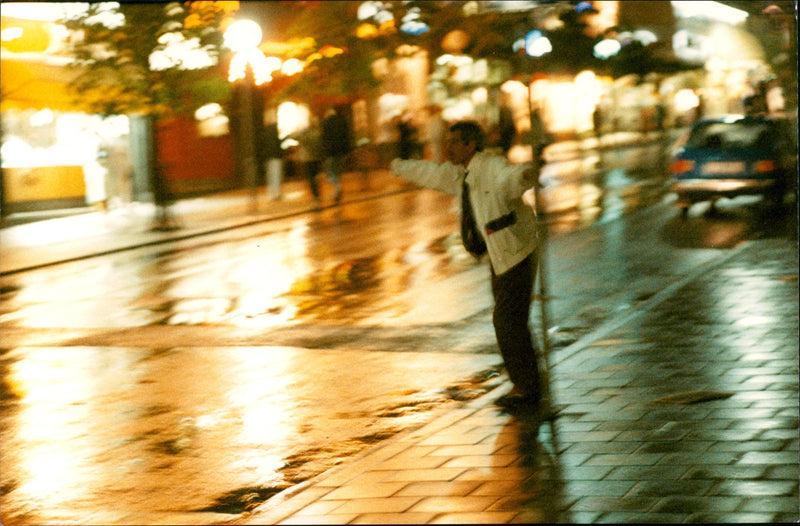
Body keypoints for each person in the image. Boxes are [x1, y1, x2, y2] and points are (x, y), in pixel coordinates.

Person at [390, 120, 543, 410]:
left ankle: (527, 388)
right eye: (447, 141)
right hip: (502, 255)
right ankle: (527, 383)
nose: (448, 147)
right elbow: (430, 173)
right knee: (511, 321)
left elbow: (508, 178)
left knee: (507, 321)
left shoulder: (489, 166)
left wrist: (524, 175)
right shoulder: (463, 174)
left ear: (471, 144)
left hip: (515, 251)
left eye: (454, 142)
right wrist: (396, 166)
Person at [321, 106, 353, 202]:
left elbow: (324, 138)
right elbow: (347, 136)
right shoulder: (343, 121)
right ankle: (337, 188)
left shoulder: (326, 123)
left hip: (330, 152)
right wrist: (347, 150)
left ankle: (337, 187)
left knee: (331, 171)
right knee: (337, 170)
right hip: (341, 151)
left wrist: (324, 152)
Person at [262, 107, 284, 201]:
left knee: (271, 175)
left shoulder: (266, 129)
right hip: (276, 155)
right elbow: (276, 143)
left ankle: (272, 193)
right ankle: (276, 194)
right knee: (276, 174)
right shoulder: (274, 129)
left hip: (269, 156)